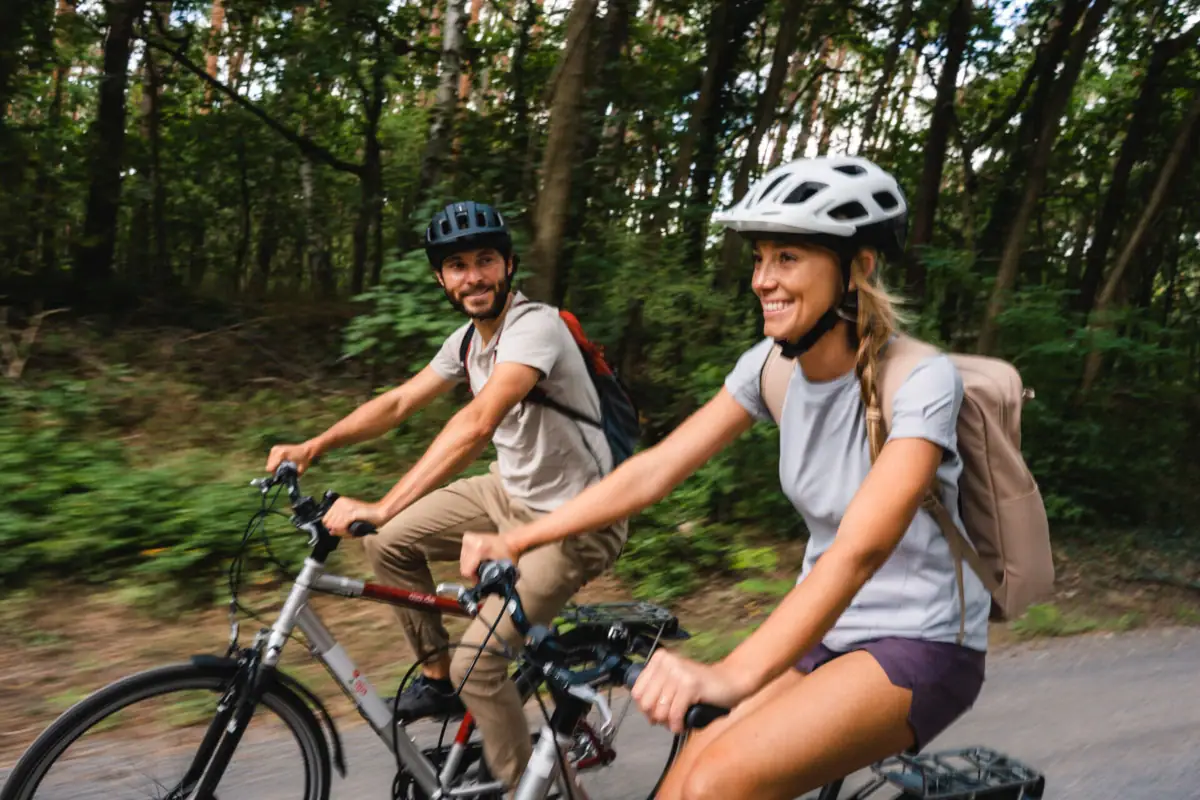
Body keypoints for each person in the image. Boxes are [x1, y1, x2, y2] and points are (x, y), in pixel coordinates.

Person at [463, 157, 991, 799]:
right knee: (678, 786)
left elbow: (860, 549)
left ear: (858, 268)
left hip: (919, 642)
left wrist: (731, 675)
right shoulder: (769, 367)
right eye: (760, 258)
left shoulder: (922, 379)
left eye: (788, 257)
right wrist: (520, 541)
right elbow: (653, 472)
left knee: (715, 784)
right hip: (821, 632)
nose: (763, 279)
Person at [265, 200, 626, 790]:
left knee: (479, 665)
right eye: (456, 265)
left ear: (508, 265)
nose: (473, 276)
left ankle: (529, 788)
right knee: (388, 544)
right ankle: (438, 680)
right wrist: (315, 444)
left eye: (485, 260)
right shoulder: (466, 340)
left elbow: (479, 421)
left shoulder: (536, 326)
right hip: (507, 491)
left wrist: (382, 502)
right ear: (441, 277)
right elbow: (399, 403)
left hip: (575, 519)